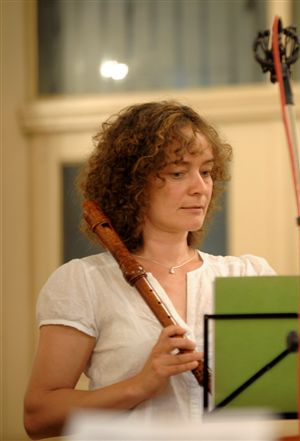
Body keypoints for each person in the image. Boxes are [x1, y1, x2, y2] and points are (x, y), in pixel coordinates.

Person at [23, 101, 276, 439]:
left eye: (206, 171)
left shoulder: (247, 275)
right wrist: (140, 385)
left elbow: (290, 390)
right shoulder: (85, 281)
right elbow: (39, 417)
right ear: (132, 185)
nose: (200, 187)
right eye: (178, 173)